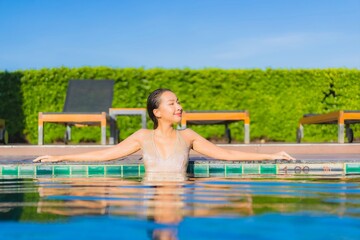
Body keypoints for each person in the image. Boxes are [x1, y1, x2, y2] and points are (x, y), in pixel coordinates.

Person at [33, 88, 295, 173]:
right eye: (172, 103)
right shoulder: (142, 137)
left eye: (178, 102)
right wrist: (58, 158)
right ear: (157, 112)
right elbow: (104, 155)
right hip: (151, 193)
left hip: (183, 195)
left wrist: (271, 157)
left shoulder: (188, 136)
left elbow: (224, 154)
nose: (179, 106)